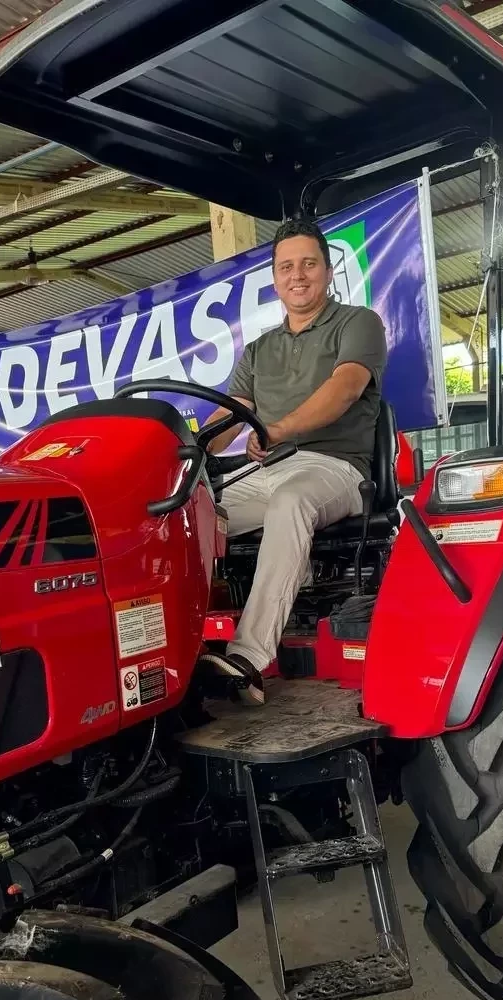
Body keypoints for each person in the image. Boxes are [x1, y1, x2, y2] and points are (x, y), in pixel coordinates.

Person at [198, 216, 388, 705]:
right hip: (270, 471)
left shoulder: (358, 323)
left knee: (290, 502)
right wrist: (190, 447)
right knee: (191, 514)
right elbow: (230, 417)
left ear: (327, 271)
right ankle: (180, 647)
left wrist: (277, 430)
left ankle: (248, 659)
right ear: (275, 278)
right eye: (286, 267)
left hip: (338, 469)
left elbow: (344, 389)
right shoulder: (260, 350)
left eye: (308, 264)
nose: (297, 275)